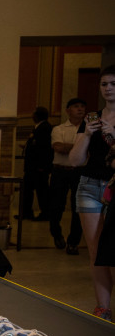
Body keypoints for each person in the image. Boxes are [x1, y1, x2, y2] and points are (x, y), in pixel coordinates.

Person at [69, 65, 115, 320]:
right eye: (104, 84)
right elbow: (75, 160)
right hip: (88, 185)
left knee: (113, 250)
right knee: (96, 251)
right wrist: (87, 134)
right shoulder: (92, 118)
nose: (108, 89)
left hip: (113, 187)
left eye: (113, 84)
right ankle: (103, 306)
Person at [49, 98, 85, 255]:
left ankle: (73, 242)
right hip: (60, 170)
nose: (80, 109)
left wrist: (70, 147)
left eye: (83, 107)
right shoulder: (59, 129)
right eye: (76, 106)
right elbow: (58, 147)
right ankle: (57, 235)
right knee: (56, 205)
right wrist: (81, 147)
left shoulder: (88, 129)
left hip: (79, 171)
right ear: (68, 110)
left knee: (78, 207)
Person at [20, 106, 53, 221]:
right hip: (32, 167)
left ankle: (46, 213)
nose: (31, 116)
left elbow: (45, 149)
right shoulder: (38, 128)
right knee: (27, 190)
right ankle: (26, 212)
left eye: (33, 114)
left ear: (38, 116)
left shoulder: (45, 128)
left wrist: (42, 167)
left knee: (42, 191)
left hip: (39, 167)